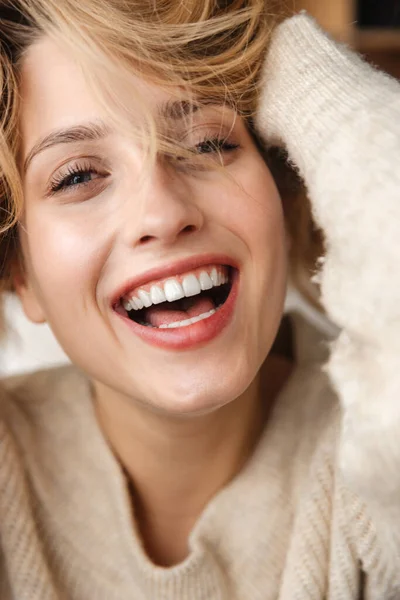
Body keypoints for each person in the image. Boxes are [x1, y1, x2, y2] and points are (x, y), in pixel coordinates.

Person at [0, 1, 399, 598]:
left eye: (209, 144)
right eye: (78, 176)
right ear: (19, 273)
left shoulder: (372, 444)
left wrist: (308, 73)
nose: (163, 213)